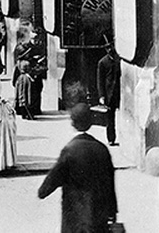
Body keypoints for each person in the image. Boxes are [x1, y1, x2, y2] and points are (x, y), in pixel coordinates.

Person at [38, 103, 117, 233]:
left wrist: (43, 191)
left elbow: (53, 178)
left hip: (74, 217)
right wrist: (112, 211)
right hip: (97, 217)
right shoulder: (102, 149)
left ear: (73, 124)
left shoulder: (70, 150)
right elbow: (110, 182)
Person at [97, 40, 121, 147]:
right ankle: (111, 138)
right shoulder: (102, 62)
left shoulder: (118, 60)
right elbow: (100, 80)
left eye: (111, 47)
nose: (110, 49)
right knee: (110, 118)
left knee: (115, 116)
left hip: (118, 92)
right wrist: (102, 95)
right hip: (109, 94)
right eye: (107, 48)